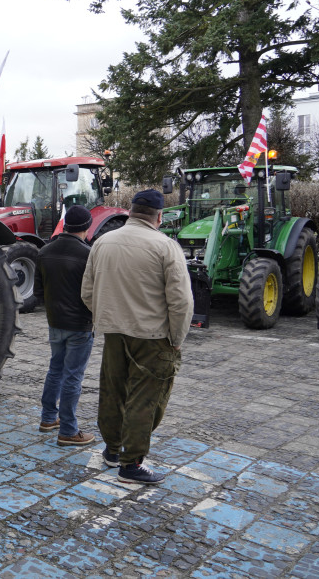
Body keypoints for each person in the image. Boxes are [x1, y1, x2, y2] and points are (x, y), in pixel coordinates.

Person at [81, 189, 193, 485]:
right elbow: (181, 301)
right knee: (145, 400)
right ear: (159, 217)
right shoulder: (166, 246)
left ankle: (113, 450)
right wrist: (177, 338)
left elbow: (88, 292)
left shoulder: (102, 242)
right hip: (153, 336)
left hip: (113, 333)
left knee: (113, 393)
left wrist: (108, 316)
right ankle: (132, 464)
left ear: (130, 211)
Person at [36, 204, 96, 447]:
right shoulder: (88, 254)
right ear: (86, 226)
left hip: (55, 322)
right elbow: (93, 293)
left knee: (56, 370)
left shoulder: (44, 251)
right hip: (80, 325)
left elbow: (39, 291)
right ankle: (69, 430)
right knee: (73, 376)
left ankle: (48, 419)